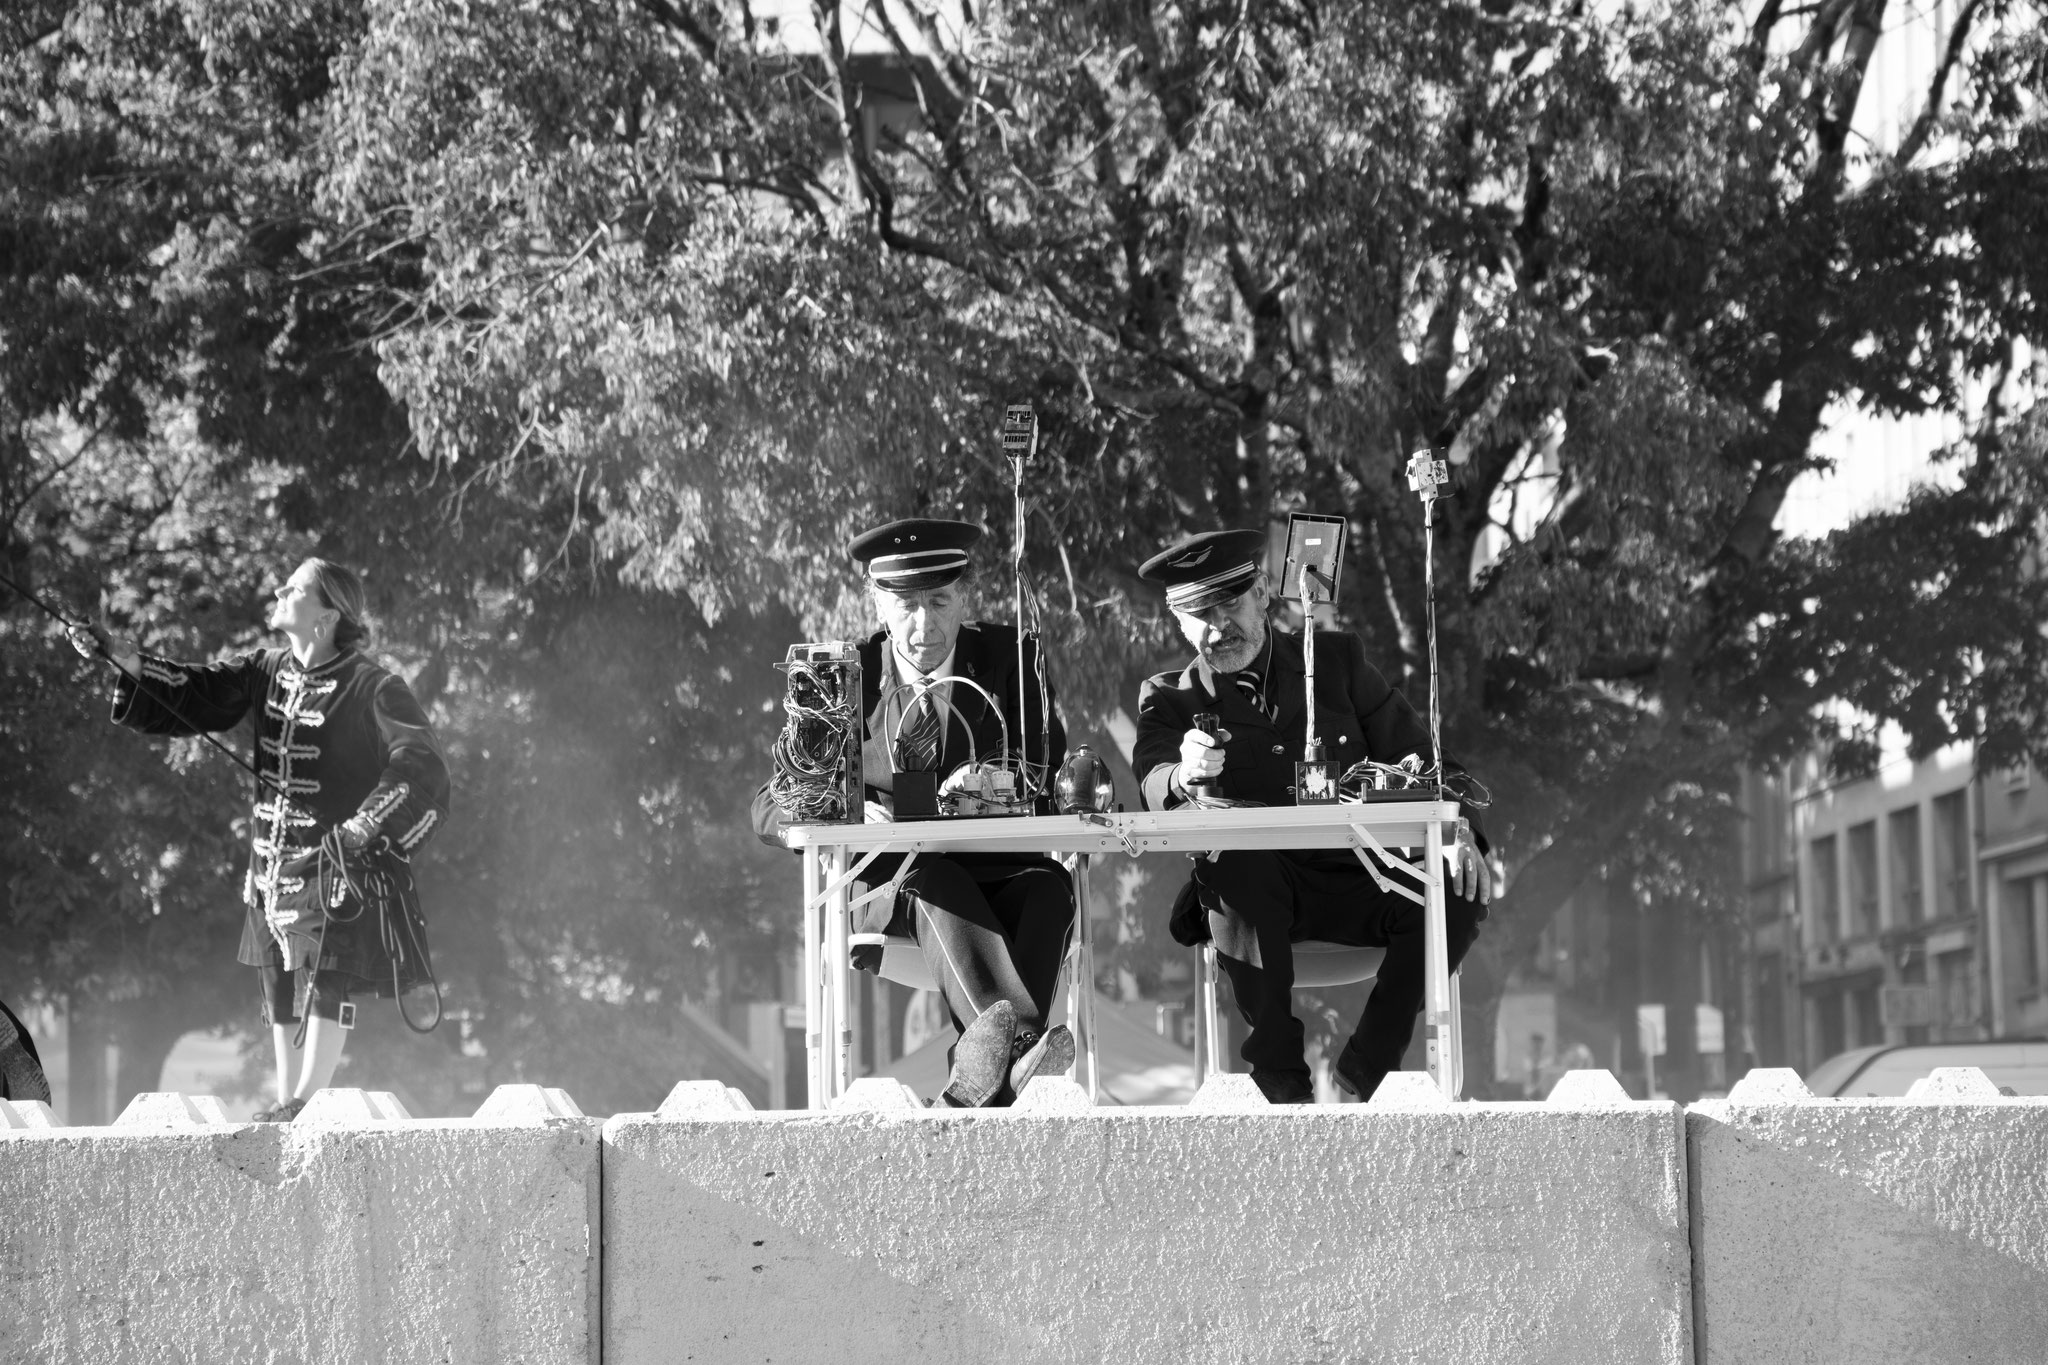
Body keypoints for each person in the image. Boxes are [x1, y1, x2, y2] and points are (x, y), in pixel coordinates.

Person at [70, 558, 448, 1122]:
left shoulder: (375, 686)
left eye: (293, 587)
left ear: (326, 615)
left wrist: (366, 824)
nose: (278, 590)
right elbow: (193, 691)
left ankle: (306, 1101)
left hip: (334, 867)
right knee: (276, 986)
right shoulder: (262, 670)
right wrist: (123, 657)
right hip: (268, 871)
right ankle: (284, 1100)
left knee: (327, 975)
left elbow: (420, 762)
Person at [1130, 529, 1494, 1104]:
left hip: (1360, 874)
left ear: (1263, 597)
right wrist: (1182, 774)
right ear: (1178, 622)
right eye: (1199, 613)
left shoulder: (1337, 660)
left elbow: (1422, 757)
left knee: (1462, 886)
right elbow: (1152, 782)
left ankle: (1362, 1076)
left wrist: (1454, 826)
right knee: (1236, 867)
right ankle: (1282, 1086)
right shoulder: (1169, 699)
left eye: (1230, 604)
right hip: (1255, 900)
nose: (1218, 627)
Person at [753, 518, 1077, 1107]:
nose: (923, 625)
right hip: (893, 880)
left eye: (939, 602)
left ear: (965, 598)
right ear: (877, 601)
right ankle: (1026, 1045)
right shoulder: (841, 675)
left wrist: (993, 784)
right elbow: (770, 803)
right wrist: (844, 812)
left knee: (1051, 887)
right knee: (937, 880)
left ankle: (977, 1083)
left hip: (998, 869)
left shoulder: (1011, 658)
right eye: (905, 605)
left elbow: (1049, 772)